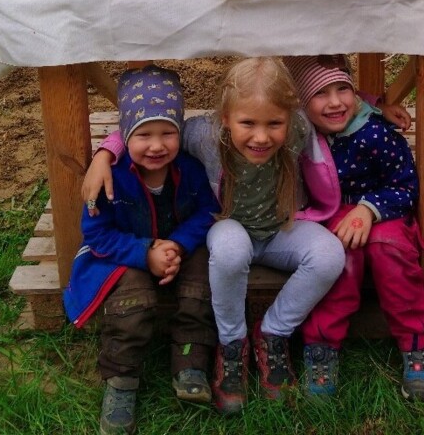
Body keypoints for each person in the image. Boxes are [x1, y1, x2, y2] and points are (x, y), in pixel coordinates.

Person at [82, 57, 347, 415]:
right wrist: (105, 152)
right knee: (229, 249)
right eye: (247, 123)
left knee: (329, 254)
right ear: (224, 118)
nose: (261, 136)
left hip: (282, 228)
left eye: (274, 123)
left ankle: (273, 333)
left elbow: (344, 111)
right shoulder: (203, 135)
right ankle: (231, 342)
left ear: (290, 117)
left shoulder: (300, 128)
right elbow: (150, 126)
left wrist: (382, 108)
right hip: (229, 225)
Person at [63, 65, 220, 435]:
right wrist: (145, 253)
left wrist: (178, 244)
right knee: (131, 306)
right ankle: (121, 381)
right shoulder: (109, 178)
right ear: (124, 135)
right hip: (124, 253)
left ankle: (190, 362)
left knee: (199, 290)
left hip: (180, 246)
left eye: (167, 132)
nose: (156, 145)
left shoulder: (190, 169)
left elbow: (207, 211)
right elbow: (98, 236)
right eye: (143, 134)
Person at [283, 55, 424, 402]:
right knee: (338, 261)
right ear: (301, 103)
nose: (336, 101)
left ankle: (418, 345)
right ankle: (321, 347)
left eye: (344, 89)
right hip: (330, 215)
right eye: (321, 93)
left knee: (390, 254)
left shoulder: (375, 134)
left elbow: (404, 186)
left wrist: (368, 210)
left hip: (383, 211)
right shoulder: (299, 132)